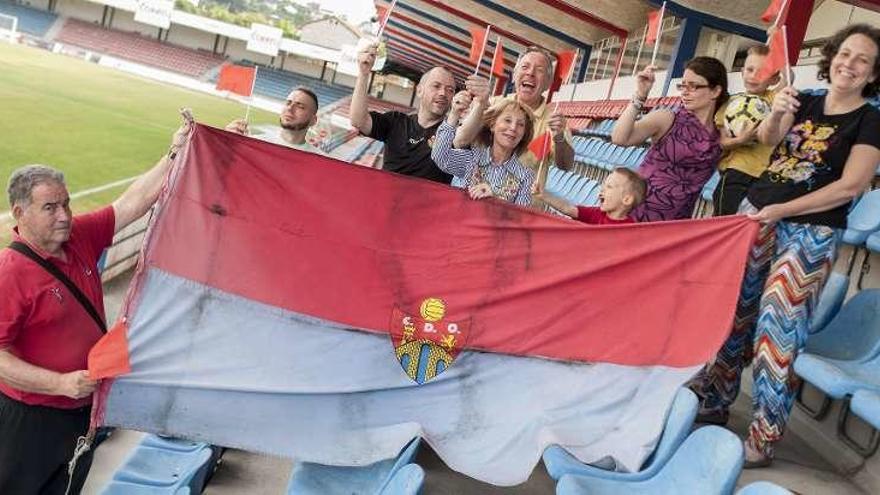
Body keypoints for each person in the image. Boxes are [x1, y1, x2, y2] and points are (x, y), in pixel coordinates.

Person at [690, 24, 880, 468]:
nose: (848, 64)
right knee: (733, 315)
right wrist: (777, 112)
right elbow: (772, 141)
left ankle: (762, 437)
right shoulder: (806, 99)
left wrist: (784, 210)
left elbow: (849, 187)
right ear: (831, 55)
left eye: (862, 60)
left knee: (777, 331)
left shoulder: (870, 118)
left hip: (810, 231)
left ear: (873, 74)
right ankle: (715, 401)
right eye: (844, 53)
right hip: (756, 213)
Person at [0, 119, 191, 494]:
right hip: (28, 420)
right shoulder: (10, 272)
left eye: (66, 203)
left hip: (82, 412)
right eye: (50, 207)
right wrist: (59, 383)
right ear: (20, 214)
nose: (64, 215)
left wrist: (176, 151)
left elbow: (133, 202)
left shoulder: (79, 236)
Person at [612, 57, 729, 222]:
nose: (685, 92)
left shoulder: (722, 132)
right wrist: (641, 94)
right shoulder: (668, 118)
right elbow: (619, 138)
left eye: (694, 86)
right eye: (683, 85)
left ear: (716, 91)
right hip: (636, 215)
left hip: (674, 225)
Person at [454, 47, 575, 181]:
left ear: (548, 83)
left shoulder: (554, 121)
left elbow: (566, 165)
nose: (530, 73)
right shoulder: (491, 104)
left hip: (521, 200)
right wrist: (474, 107)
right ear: (514, 75)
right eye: (525, 67)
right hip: (477, 192)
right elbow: (460, 141)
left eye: (539, 70)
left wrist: (559, 138)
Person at [350, 40, 456, 183]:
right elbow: (358, 121)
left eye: (450, 90)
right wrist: (363, 74)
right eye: (436, 86)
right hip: (387, 202)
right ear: (419, 90)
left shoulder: (455, 135)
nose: (443, 93)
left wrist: (480, 104)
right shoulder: (396, 121)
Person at [431, 92, 535, 206]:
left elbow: (519, 219)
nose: (513, 128)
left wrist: (495, 199)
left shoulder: (526, 176)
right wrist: (454, 114)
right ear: (492, 125)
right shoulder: (472, 158)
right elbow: (440, 157)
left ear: (524, 134)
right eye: (507, 120)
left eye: (520, 124)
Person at [713, 45, 780, 215]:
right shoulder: (730, 104)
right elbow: (722, 142)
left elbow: (789, 77)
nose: (754, 76)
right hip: (736, 171)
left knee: (749, 225)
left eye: (763, 72)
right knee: (723, 219)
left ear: (774, 79)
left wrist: (778, 40)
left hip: (766, 175)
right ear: (742, 72)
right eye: (750, 69)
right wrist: (740, 141)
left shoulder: (774, 99)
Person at [226, 86, 323, 154]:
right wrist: (227, 143)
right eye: (288, 103)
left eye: (300, 106)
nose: (290, 108)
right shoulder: (256, 144)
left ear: (313, 120)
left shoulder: (320, 161)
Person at [537, 167, 646, 225]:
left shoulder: (630, 229)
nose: (602, 189)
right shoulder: (597, 214)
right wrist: (544, 195)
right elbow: (568, 209)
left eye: (609, 186)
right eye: (603, 185)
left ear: (626, 199)